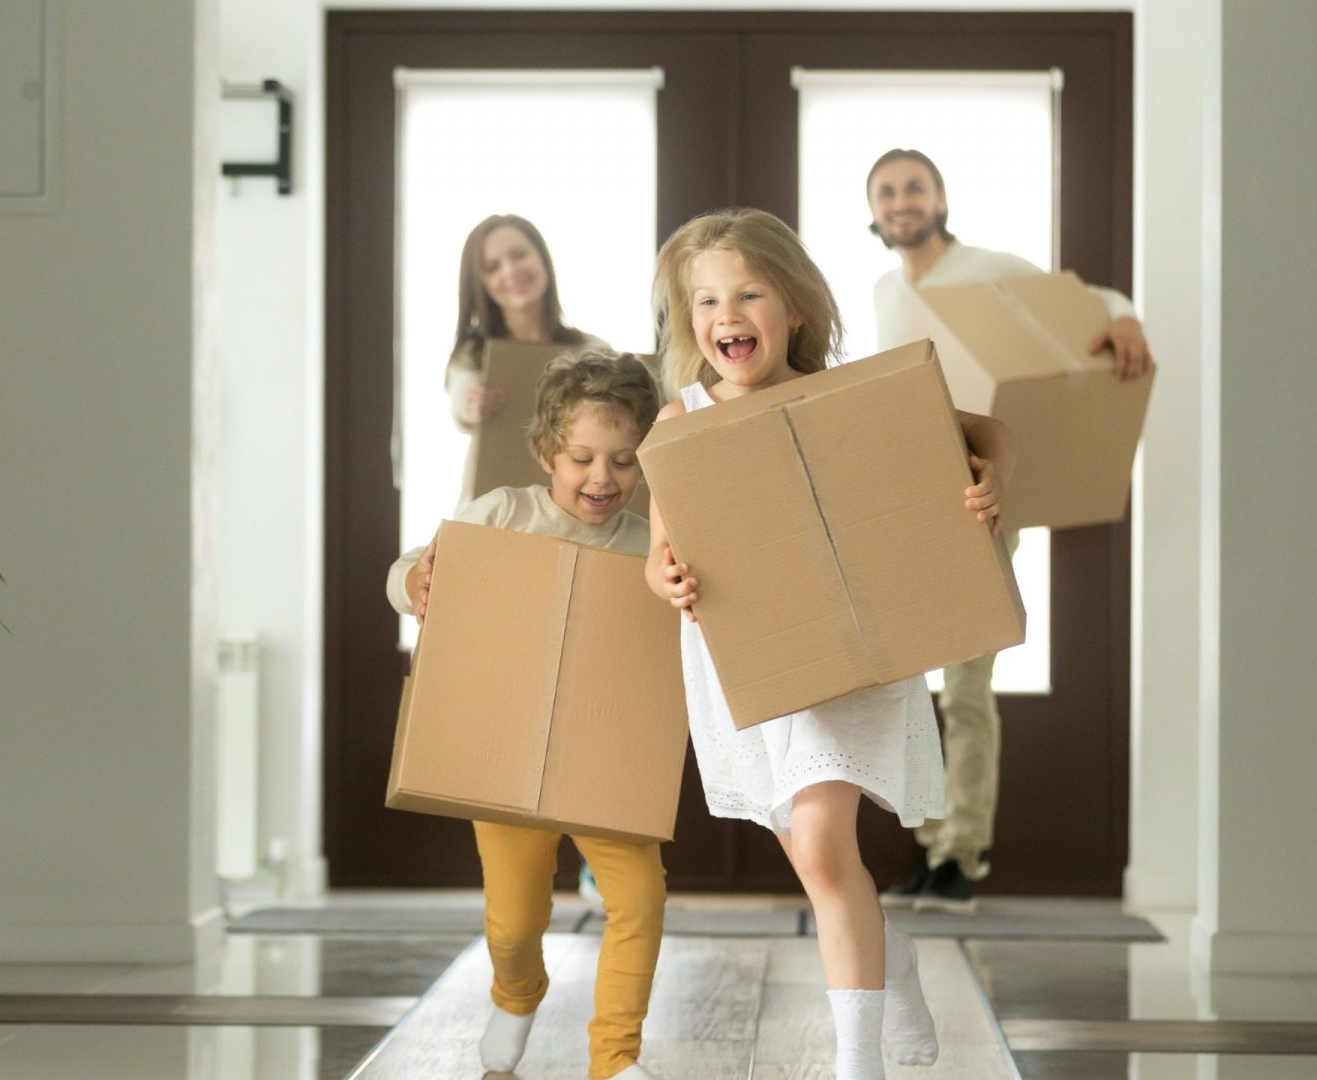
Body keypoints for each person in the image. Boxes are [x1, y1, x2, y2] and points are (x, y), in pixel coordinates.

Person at [645, 208, 1016, 1078]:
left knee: (819, 845)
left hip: (851, 655)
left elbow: (989, 431)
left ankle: (856, 1065)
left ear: (795, 307)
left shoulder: (845, 400)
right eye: (706, 300)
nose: (726, 315)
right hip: (751, 666)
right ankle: (897, 959)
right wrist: (666, 580)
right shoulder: (680, 420)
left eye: (748, 294)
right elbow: (660, 553)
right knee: (821, 864)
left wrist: (992, 478)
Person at [865, 148, 1155, 910]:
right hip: (908, 506)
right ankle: (933, 849)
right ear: (874, 211)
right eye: (887, 192)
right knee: (910, 692)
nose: (901, 201)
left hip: (979, 499)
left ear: (940, 199)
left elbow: (1090, 298)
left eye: (914, 187)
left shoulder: (986, 269)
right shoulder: (885, 292)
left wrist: (1123, 317)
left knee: (966, 683)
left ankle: (962, 855)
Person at [389, 350, 667, 1080]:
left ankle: (615, 1059)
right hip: (507, 752)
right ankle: (516, 994)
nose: (603, 478)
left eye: (625, 462)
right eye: (582, 459)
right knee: (514, 925)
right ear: (547, 453)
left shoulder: (649, 544)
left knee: (640, 900)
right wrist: (416, 582)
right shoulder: (502, 515)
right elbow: (409, 570)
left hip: (608, 756)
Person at [445, 214, 609, 434]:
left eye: (519, 255)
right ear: (481, 284)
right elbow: (461, 397)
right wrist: (470, 406)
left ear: (542, 258)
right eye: (493, 267)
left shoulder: (593, 350)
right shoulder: (472, 355)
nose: (510, 271)